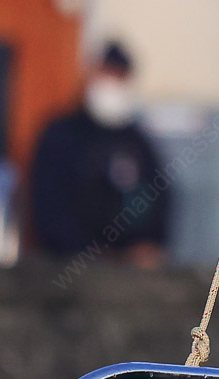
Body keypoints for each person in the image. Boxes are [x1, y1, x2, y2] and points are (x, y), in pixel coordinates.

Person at [28, 41, 171, 266]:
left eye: (119, 77)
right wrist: (85, 251)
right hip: (68, 264)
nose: (112, 84)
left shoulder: (138, 143)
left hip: (129, 267)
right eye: (106, 74)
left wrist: (145, 245)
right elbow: (48, 204)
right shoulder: (61, 135)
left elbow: (160, 199)